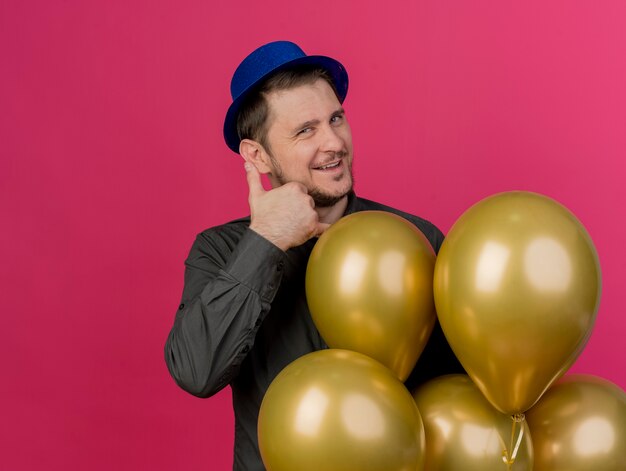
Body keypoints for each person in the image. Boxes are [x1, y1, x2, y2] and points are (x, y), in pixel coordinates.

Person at [165, 40, 463, 471]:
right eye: (306, 130)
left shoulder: (416, 240)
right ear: (258, 156)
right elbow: (196, 371)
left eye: (336, 119)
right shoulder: (221, 250)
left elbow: (456, 394)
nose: (334, 142)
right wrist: (265, 240)